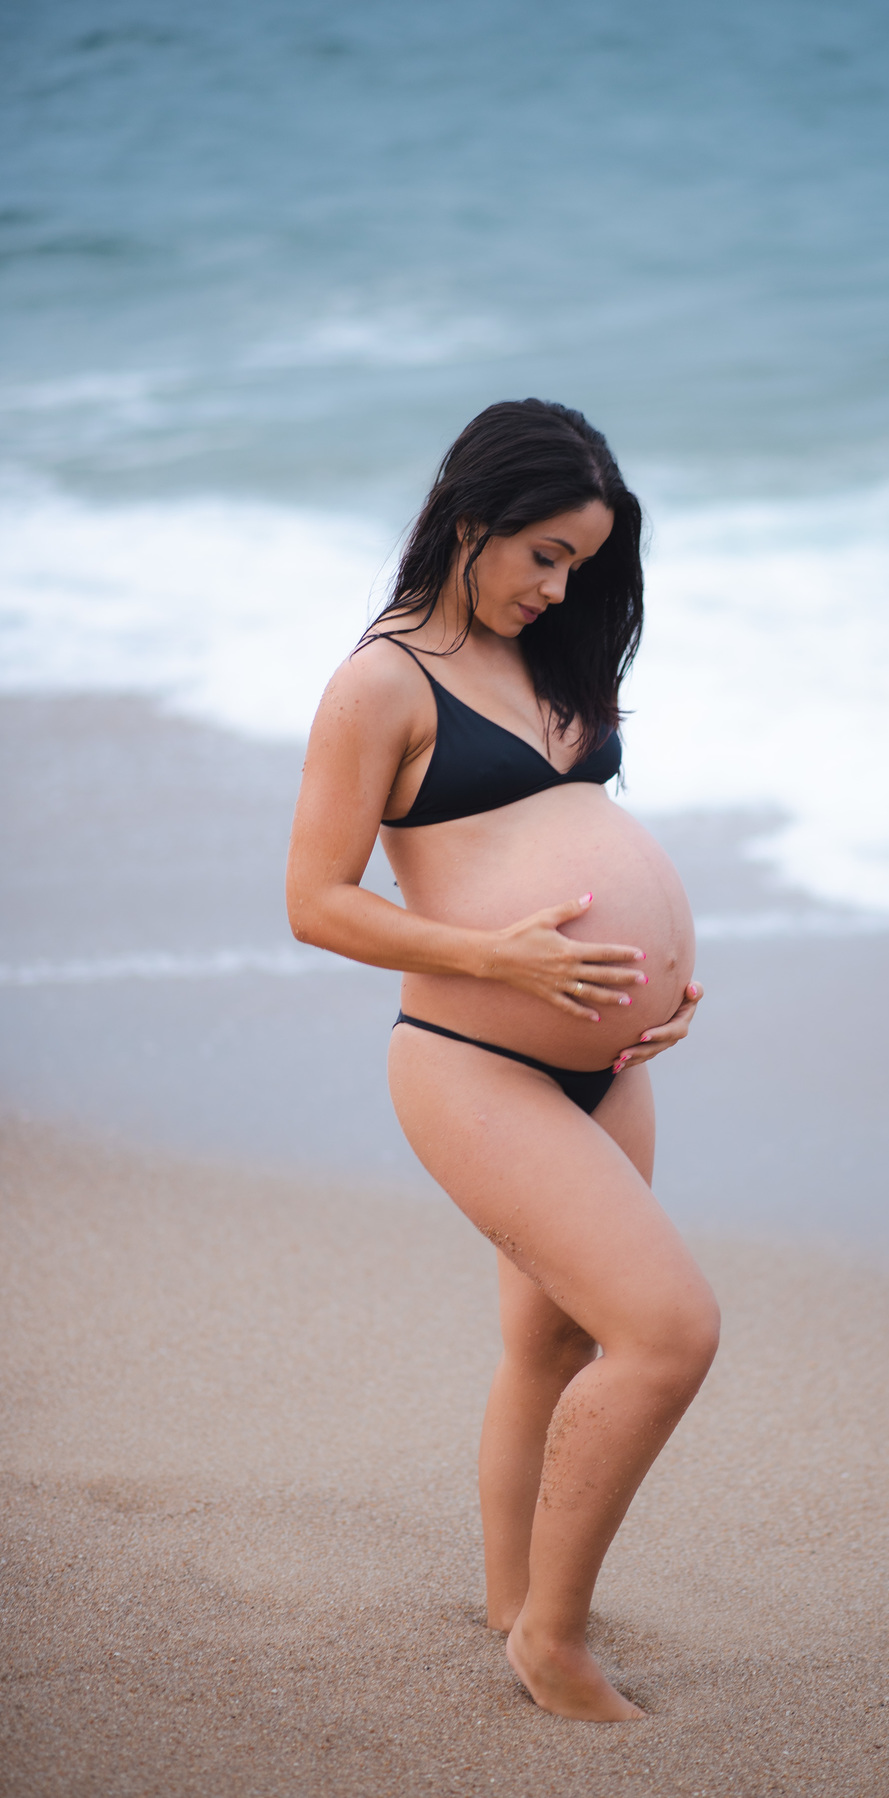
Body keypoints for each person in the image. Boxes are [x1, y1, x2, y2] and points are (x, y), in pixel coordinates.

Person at [286, 399, 719, 1722]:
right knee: (668, 1332)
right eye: (541, 553)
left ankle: (507, 1595)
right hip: (475, 1054)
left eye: (582, 563)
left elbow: (568, 829)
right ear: (470, 522)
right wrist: (509, 965)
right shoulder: (382, 680)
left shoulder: (553, 657)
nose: (559, 585)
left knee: (554, 1337)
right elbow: (318, 898)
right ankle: (555, 1640)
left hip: (608, 1058)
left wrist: (656, 977)